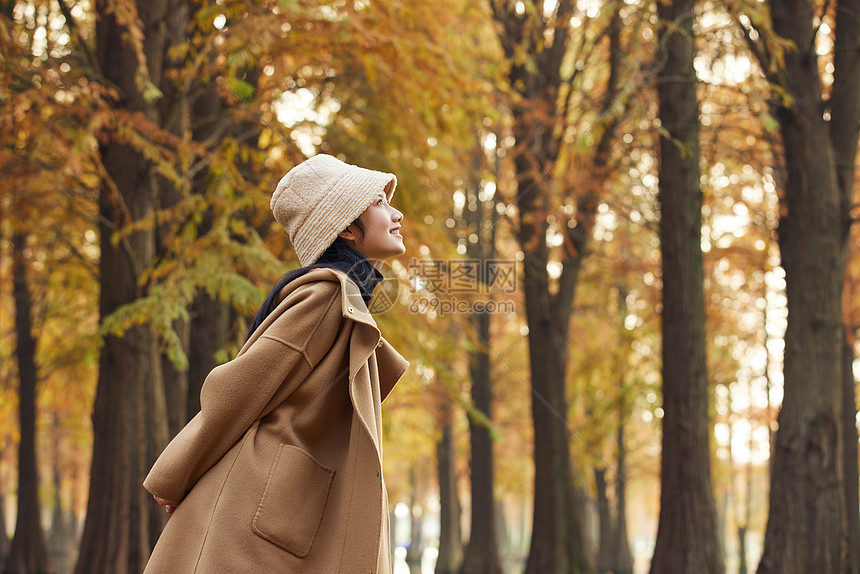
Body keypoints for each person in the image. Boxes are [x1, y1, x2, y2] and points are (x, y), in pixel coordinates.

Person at [142, 154, 410, 573]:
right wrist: (176, 473)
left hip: (287, 508)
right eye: (379, 202)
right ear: (345, 227)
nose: (396, 213)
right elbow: (239, 387)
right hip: (257, 512)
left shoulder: (342, 302)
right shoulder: (325, 296)